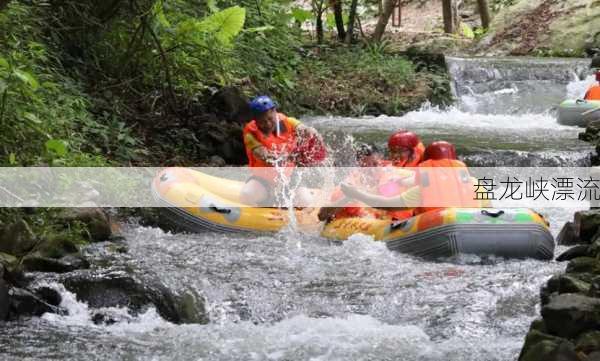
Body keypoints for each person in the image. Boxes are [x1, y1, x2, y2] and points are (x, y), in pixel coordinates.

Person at [340, 141, 481, 213]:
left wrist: (357, 194)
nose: (372, 169)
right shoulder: (475, 184)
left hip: (440, 226)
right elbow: (489, 211)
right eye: (366, 166)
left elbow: (385, 203)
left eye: (375, 164)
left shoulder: (421, 191)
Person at [240, 95, 322, 205]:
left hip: (289, 178)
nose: (268, 124)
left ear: (275, 112)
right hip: (263, 180)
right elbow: (262, 154)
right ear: (255, 120)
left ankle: (290, 197)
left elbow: (304, 129)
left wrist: (312, 134)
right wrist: (278, 158)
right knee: (247, 195)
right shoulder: (250, 133)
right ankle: (267, 200)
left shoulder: (288, 122)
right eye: (262, 122)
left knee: (306, 201)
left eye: (270, 119)